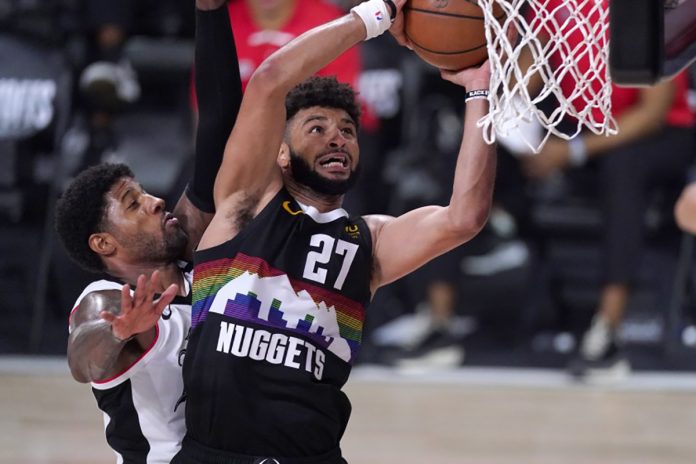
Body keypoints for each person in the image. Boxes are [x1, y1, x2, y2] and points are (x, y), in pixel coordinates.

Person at [174, 0, 496, 461]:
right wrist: (375, 15)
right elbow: (268, 82)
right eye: (317, 127)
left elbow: (464, 217)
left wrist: (478, 91)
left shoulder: (370, 240)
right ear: (281, 154)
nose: (337, 137)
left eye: (348, 129)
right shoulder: (244, 204)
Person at [54, 1, 242, 462]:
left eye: (144, 195)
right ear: (104, 243)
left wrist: (210, 11)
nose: (156, 201)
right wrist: (120, 333)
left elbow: (218, 125)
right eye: (134, 204)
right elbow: (84, 359)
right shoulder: (106, 298)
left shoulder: (197, 261)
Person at [520, 0, 696, 380]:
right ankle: (439, 319)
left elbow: (653, 113)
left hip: (664, 133)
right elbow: (529, 75)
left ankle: (608, 329)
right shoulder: (552, 5)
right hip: (585, 131)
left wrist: (573, 151)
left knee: (624, 165)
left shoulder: (644, 7)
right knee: (481, 153)